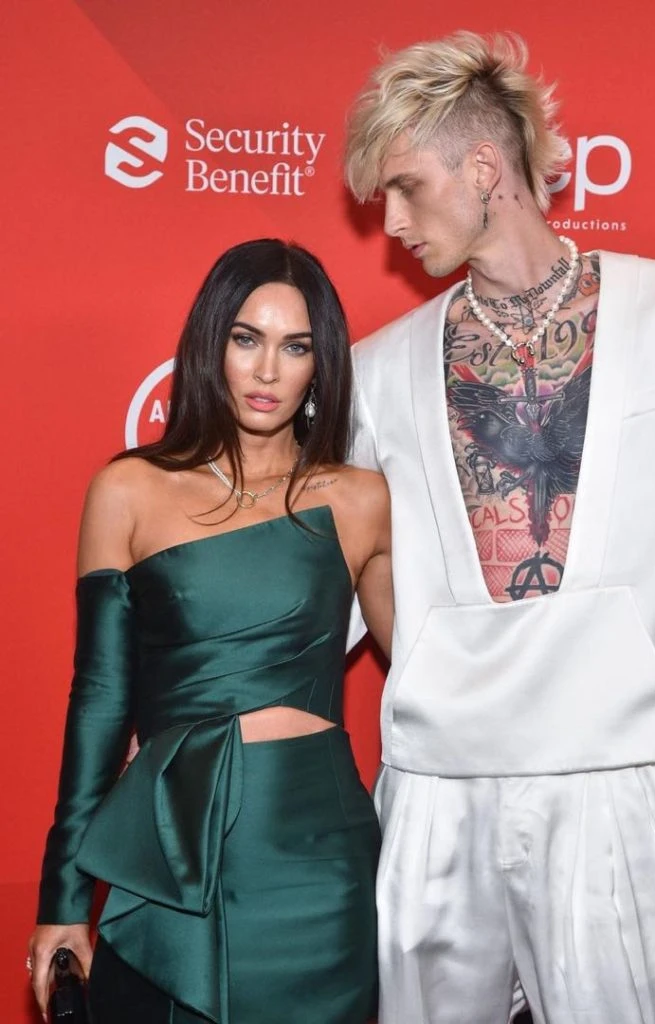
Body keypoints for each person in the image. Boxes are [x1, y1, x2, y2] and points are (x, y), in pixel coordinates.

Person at [344, 30, 655, 1024]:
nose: (393, 222)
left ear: (483, 168)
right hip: (436, 786)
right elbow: (336, 587)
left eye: (407, 187)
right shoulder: (376, 368)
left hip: (617, 780)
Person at [29, 238, 391, 1023]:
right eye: (245, 338)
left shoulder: (360, 499)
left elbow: (432, 669)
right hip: (176, 850)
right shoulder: (130, 489)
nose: (267, 371)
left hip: (319, 857)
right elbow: (99, 701)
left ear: (321, 364)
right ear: (210, 343)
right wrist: (64, 897)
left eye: (295, 347)